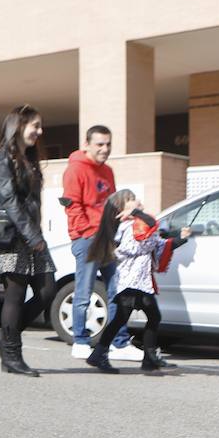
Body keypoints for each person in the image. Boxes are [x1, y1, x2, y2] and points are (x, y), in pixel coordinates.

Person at [0, 105, 57, 377]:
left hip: (31, 235)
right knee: (15, 295)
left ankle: (4, 338)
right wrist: (33, 235)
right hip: (14, 236)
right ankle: (11, 356)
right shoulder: (3, 160)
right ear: (18, 126)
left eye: (39, 126)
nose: (39, 131)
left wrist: (36, 234)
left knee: (47, 291)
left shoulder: (29, 160)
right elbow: (12, 203)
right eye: (35, 125)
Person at [82, 190, 191, 374]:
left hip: (140, 282)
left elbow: (158, 244)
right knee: (125, 319)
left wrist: (181, 239)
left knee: (139, 318)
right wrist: (136, 214)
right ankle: (107, 355)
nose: (138, 201)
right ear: (122, 209)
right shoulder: (128, 228)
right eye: (131, 200)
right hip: (131, 283)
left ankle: (144, 358)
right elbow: (149, 233)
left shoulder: (138, 225)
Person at [62, 126, 137, 361]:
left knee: (118, 290)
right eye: (100, 144)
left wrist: (121, 219)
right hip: (87, 239)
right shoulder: (75, 169)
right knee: (84, 291)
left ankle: (118, 342)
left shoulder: (108, 171)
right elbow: (72, 205)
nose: (105, 149)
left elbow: (112, 204)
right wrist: (86, 233)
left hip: (107, 239)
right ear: (87, 144)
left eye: (108, 144)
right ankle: (80, 341)